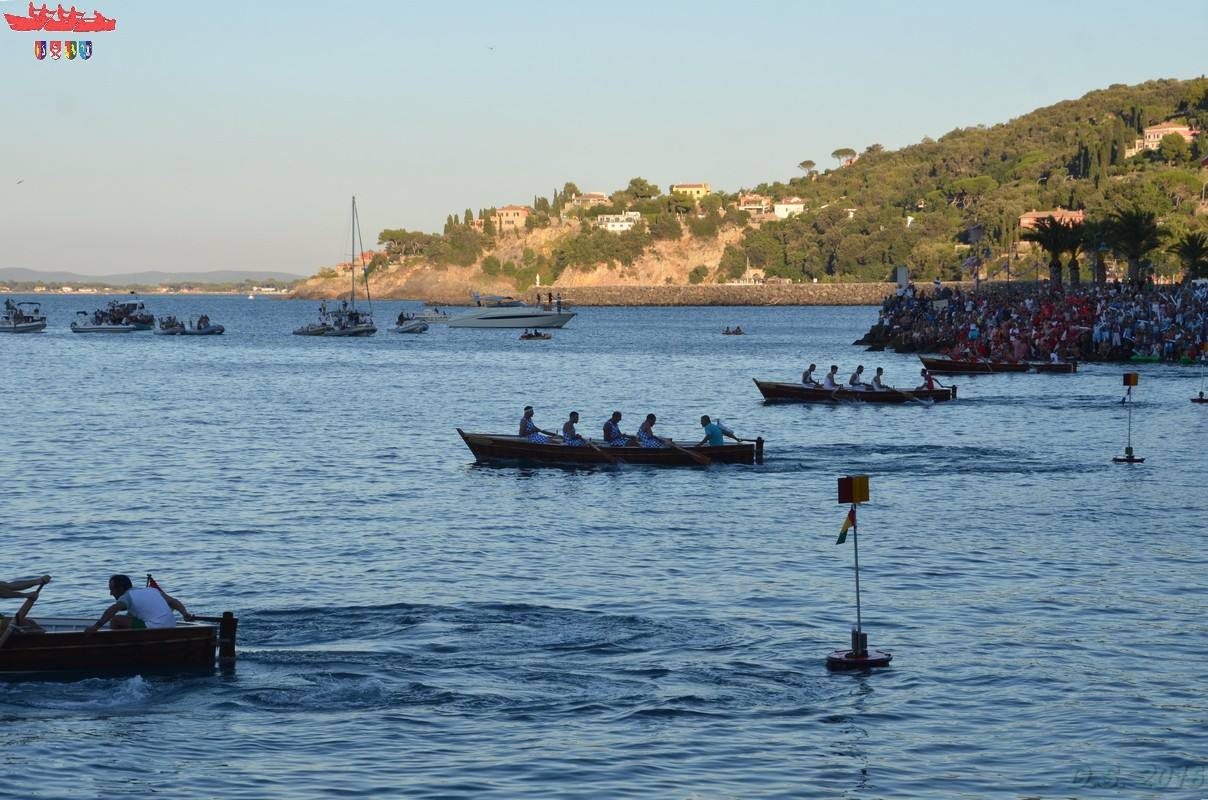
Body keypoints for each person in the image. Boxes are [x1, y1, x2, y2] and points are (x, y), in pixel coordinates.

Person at [85, 574, 194, 633]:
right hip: (171, 626)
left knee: (116, 619)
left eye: (112, 589)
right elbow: (173, 602)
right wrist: (184, 614)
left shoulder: (127, 597)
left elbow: (113, 609)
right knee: (128, 617)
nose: (110, 593)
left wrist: (95, 627)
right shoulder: (152, 590)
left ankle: (119, 645)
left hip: (155, 629)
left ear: (120, 589)